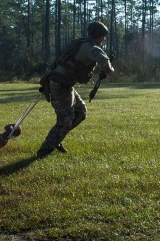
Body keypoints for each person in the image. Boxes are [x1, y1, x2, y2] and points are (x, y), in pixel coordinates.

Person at [37, 21, 114, 159]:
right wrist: (109, 70)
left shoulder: (80, 43)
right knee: (65, 120)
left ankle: (57, 139)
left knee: (80, 112)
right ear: (99, 36)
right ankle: (44, 151)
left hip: (63, 84)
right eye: (103, 37)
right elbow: (106, 65)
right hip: (60, 85)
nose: (104, 40)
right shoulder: (92, 48)